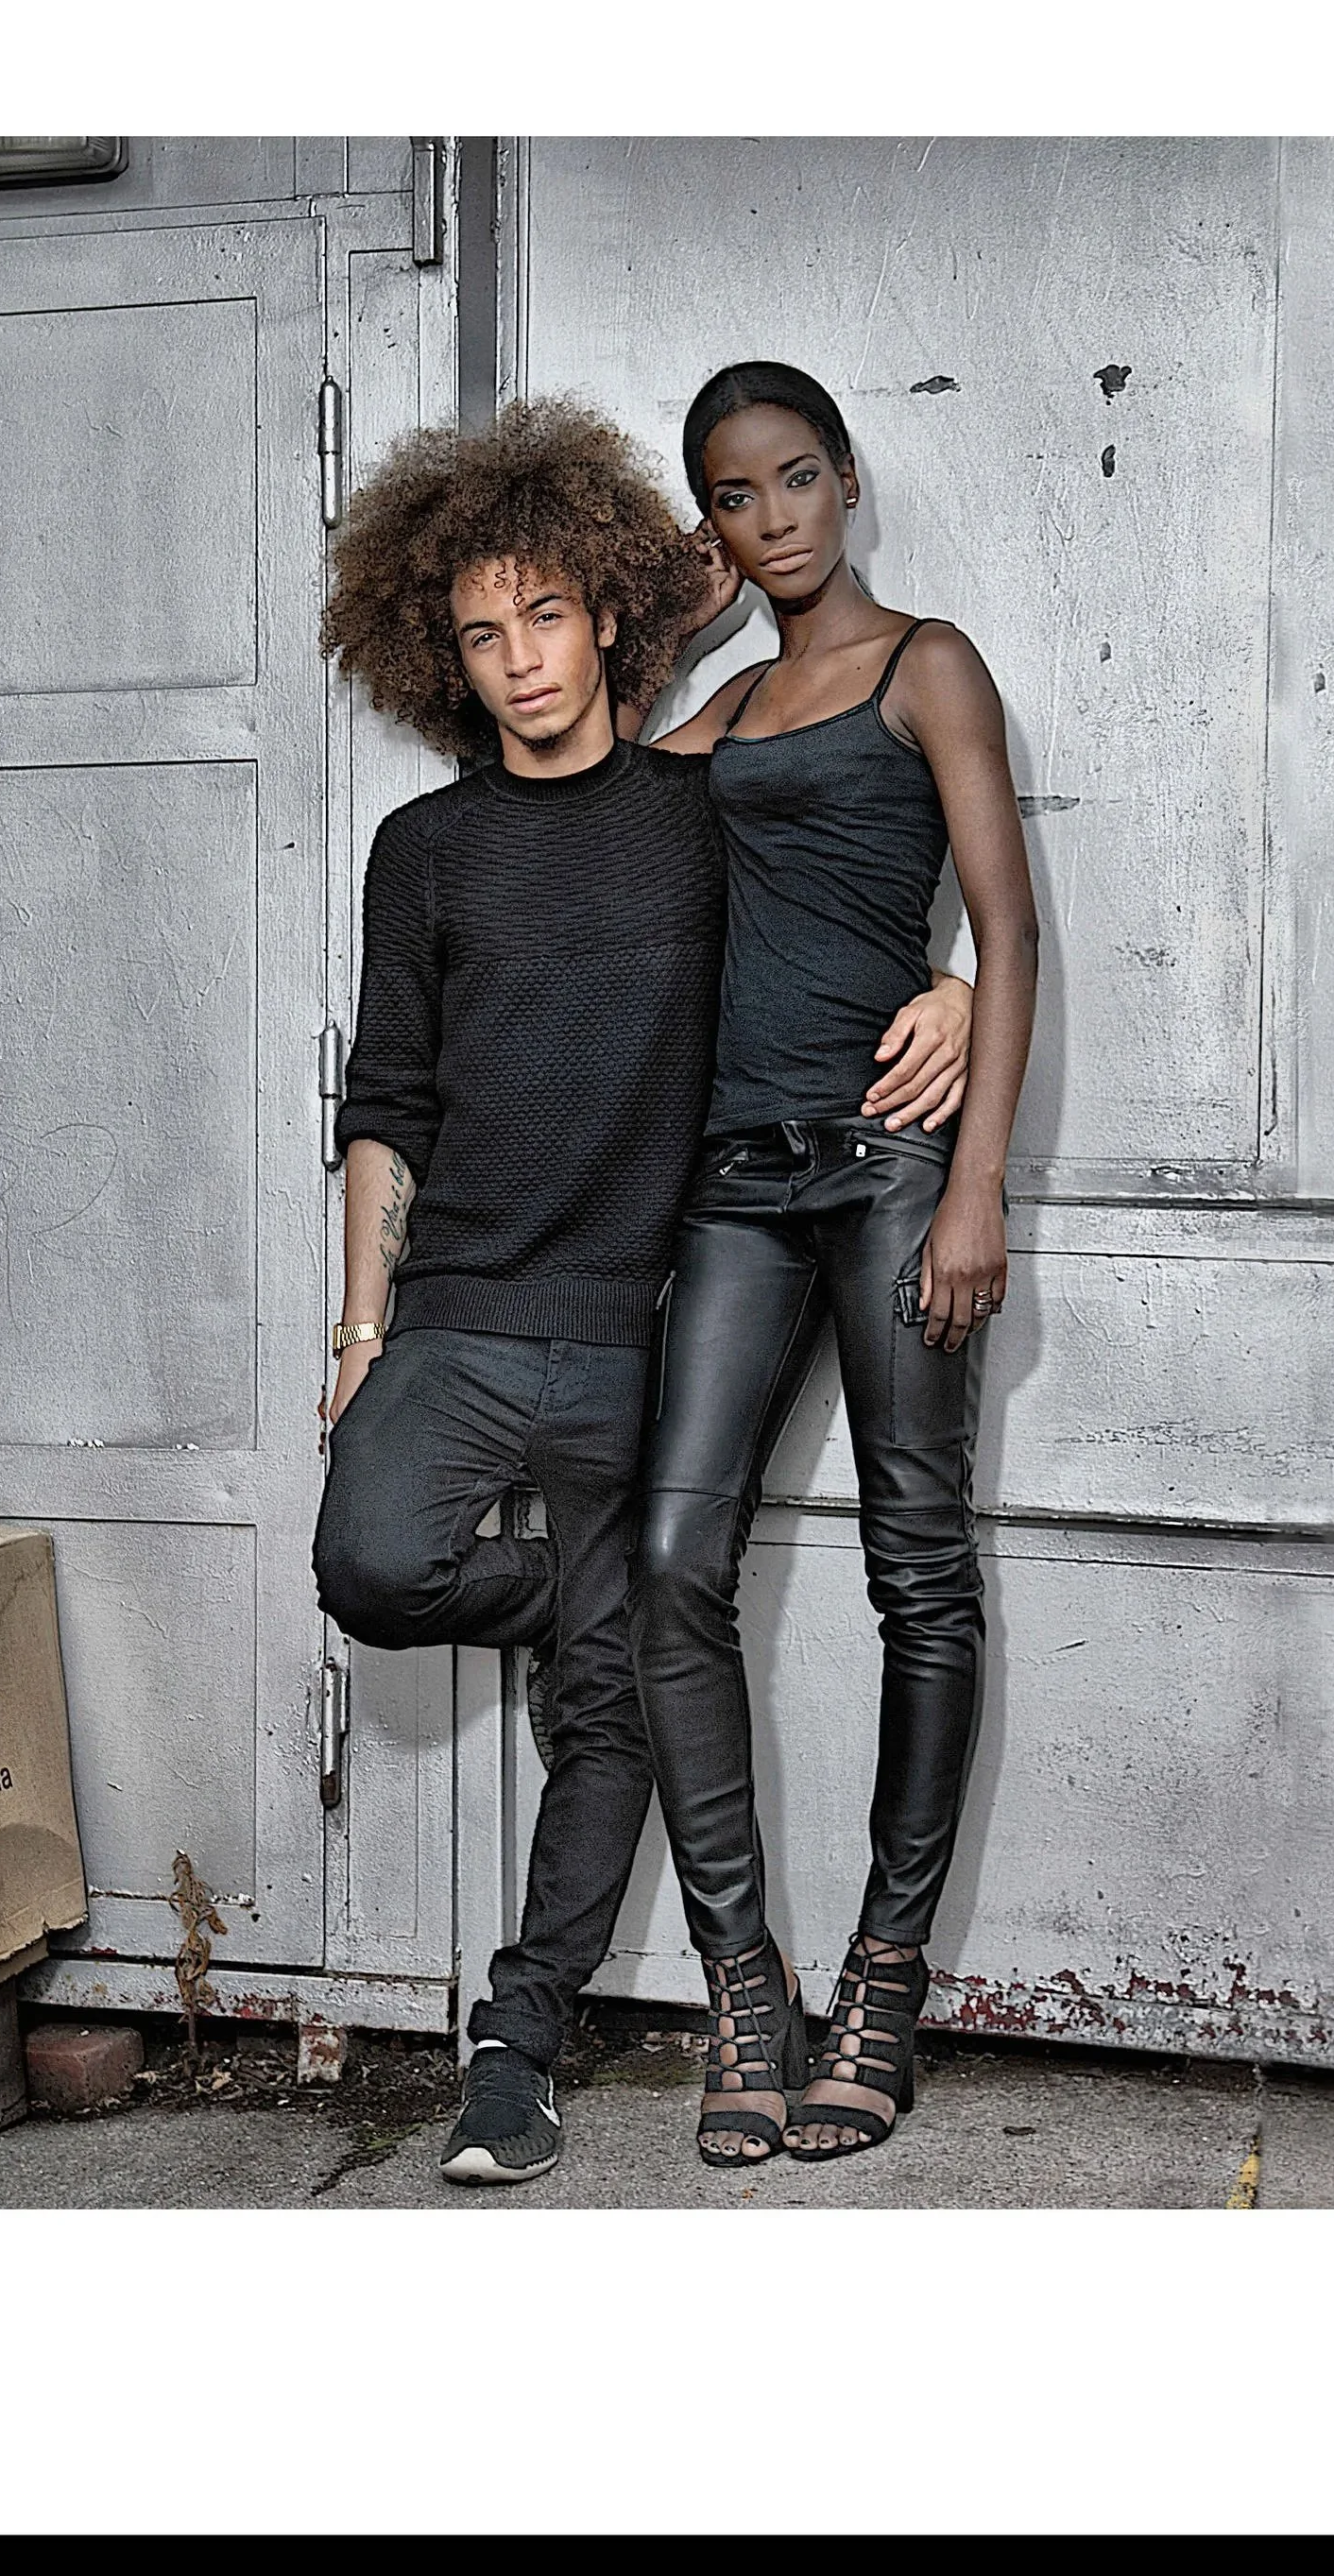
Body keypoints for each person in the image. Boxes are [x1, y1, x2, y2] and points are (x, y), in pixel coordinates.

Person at [311, 397, 975, 2186]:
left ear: (604, 612)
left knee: (616, 1707)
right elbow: (383, 1101)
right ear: (440, 658)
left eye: (549, 614)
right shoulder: (422, 852)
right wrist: (361, 1325)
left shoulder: (701, 801)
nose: (521, 662)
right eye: (479, 632)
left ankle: (517, 2045)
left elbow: (854, 868)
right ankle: (571, 1609)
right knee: (374, 1562)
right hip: (452, 1309)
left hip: (632, 1321)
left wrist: (967, 979)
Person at [628, 360, 1041, 2165]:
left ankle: (883, 1972)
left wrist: (977, 1185)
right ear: (712, 519)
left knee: (917, 1565)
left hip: (885, 1170)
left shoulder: (925, 662)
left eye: (797, 478)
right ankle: (744, 1981)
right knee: (668, 1558)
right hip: (731, 1176)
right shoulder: (719, 711)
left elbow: (1010, 929)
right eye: (736, 494)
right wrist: (673, 639)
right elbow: (593, 834)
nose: (776, 515)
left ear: (849, 480)